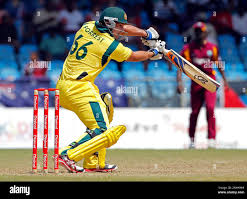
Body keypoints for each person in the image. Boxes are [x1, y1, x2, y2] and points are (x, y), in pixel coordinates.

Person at [56, 7, 165, 173]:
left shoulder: (87, 25)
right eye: (119, 26)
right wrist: (154, 52)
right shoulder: (109, 45)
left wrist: (146, 34)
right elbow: (134, 56)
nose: (122, 30)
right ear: (110, 23)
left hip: (66, 85)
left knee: (103, 116)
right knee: (101, 129)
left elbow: (121, 28)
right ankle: (67, 155)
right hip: (78, 88)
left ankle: (93, 162)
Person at [176, 22, 228, 149]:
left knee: (210, 108)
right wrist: (179, 82)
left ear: (205, 33)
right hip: (196, 81)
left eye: (200, 31)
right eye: (196, 31)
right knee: (194, 112)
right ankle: (192, 140)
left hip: (210, 81)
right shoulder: (188, 48)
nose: (198, 33)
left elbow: (219, 64)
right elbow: (180, 65)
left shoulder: (212, 47)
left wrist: (225, 80)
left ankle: (211, 139)